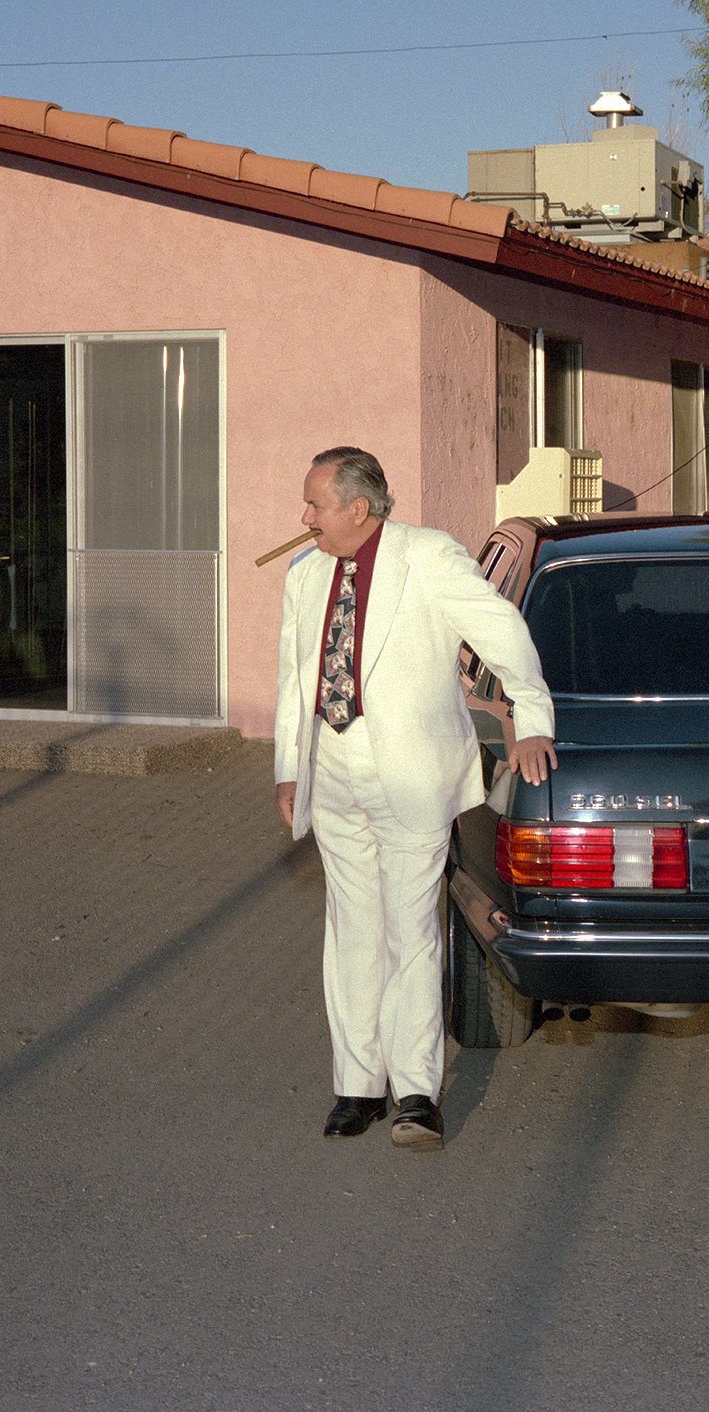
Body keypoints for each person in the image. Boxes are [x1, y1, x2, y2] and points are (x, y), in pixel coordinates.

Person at [274, 447, 555, 1149]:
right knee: (351, 932)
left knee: (410, 932)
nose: (305, 517)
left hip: (411, 777)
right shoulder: (305, 573)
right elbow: (293, 678)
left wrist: (532, 721)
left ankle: (417, 1096)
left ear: (358, 509)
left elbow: (504, 632)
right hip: (333, 772)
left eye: (316, 504)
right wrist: (288, 769)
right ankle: (357, 1088)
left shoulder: (428, 557)